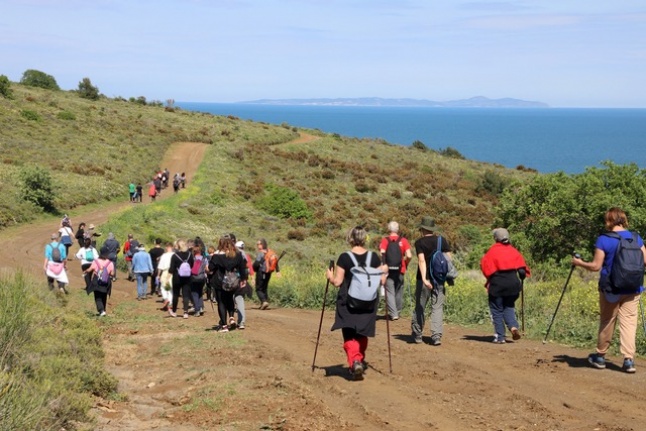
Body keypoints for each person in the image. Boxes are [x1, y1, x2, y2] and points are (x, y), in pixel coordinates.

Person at [572, 207, 644, 373]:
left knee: (608, 321)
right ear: (623, 219)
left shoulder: (604, 239)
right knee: (630, 323)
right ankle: (628, 360)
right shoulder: (636, 238)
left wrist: (579, 262)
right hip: (633, 288)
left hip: (611, 288)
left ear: (609, 220)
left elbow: (596, 266)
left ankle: (600, 356)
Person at [326, 226, 387, 380]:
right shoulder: (373, 257)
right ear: (364, 239)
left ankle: (355, 361)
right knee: (362, 333)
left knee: (349, 335)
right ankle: (358, 359)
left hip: (348, 302)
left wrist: (330, 276)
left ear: (350, 239)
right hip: (368, 303)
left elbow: (338, 282)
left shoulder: (344, 258)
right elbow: (381, 279)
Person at [480, 228, 531, 344]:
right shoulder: (514, 251)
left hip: (498, 284)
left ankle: (500, 336)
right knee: (508, 306)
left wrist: (491, 278)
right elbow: (522, 271)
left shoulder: (492, 251)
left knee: (497, 310)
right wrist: (521, 277)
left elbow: (485, 267)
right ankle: (513, 327)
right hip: (513, 284)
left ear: (496, 239)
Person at [411, 216, 453, 346]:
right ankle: (436, 336)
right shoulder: (442, 240)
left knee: (420, 306)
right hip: (439, 279)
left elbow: (421, 260)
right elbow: (449, 259)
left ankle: (418, 335)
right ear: (433, 229)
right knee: (437, 307)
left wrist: (424, 278)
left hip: (424, 279)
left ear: (423, 229)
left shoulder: (419, 243)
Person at [209, 236, 248, 332]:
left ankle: (224, 326)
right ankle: (231, 317)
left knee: (221, 303)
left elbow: (210, 268)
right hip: (232, 282)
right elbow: (242, 268)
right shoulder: (238, 255)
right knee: (230, 299)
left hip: (220, 282)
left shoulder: (217, 257)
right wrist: (243, 280)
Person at [379, 221, 413, 321]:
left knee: (390, 291)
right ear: (398, 229)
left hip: (388, 269)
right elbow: (409, 255)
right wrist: (405, 263)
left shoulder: (385, 240)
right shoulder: (404, 240)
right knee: (399, 290)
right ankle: (398, 311)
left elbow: (382, 253)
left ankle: (393, 314)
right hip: (400, 269)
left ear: (389, 229)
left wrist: (384, 266)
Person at [84, 248, 115, 317]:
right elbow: (112, 274)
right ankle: (103, 310)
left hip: (97, 281)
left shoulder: (96, 261)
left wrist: (86, 271)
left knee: (98, 297)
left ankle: (101, 310)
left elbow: (90, 269)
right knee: (104, 296)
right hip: (106, 281)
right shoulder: (110, 263)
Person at [169, 240, 194, 318]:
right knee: (186, 294)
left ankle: (174, 311)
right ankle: (186, 312)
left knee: (176, 294)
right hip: (187, 277)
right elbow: (192, 265)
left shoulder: (175, 256)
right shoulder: (190, 255)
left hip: (177, 277)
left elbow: (171, 269)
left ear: (178, 246)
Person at [254, 238, 280, 310]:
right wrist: (277, 271)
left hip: (261, 272)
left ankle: (264, 301)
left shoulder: (261, 253)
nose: (259, 246)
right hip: (268, 272)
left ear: (263, 244)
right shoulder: (270, 252)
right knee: (264, 288)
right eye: (258, 244)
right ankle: (264, 302)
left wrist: (253, 269)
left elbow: (256, 264)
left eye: (260, 244)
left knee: (258, 289)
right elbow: (276, 262)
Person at [234, 240, 254, 329]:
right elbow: (250, 268)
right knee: (240, 298)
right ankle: (241, 322)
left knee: (232, 297)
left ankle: (230, 319)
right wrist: (251, 278)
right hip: (242, 279)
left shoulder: (233, 254)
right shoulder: (246, 256)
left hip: (232, 279)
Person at [189, 245, 207, 316]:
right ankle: (201, 307)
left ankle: (197, 310)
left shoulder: (192, 258)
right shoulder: (204, 259)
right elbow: (206, 268)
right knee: (200, 293)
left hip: (194, 277)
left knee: (194, 293)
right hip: (202, 277)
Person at [157, 242, 175, 311]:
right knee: (170, 288)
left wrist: (158, 275)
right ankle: (170, 302)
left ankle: (165, 298)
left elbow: (160, 266)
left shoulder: (164, 255)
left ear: (167, 247)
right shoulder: (174, 255)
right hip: (173, 272)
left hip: (165, 271)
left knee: (163, 287)